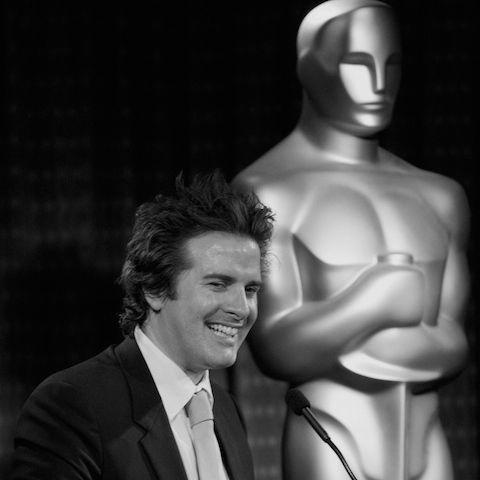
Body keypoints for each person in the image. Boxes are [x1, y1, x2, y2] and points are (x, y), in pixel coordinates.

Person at [233, 0, 471, 479]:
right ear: (309, 66)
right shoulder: (268, 192)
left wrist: (339, 335)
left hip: (428, 439)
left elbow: (454, 345)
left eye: (391, 65)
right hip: (329, 432)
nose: (380, 85)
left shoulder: (440, 196)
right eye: (358, 63)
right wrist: (375, 301)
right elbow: (276, 347)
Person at [10, 170, 275, 480]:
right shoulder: (72, 407)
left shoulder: (227, 411)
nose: (241, 308)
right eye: (218, 284)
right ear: (155, 290)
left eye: (250, 289)